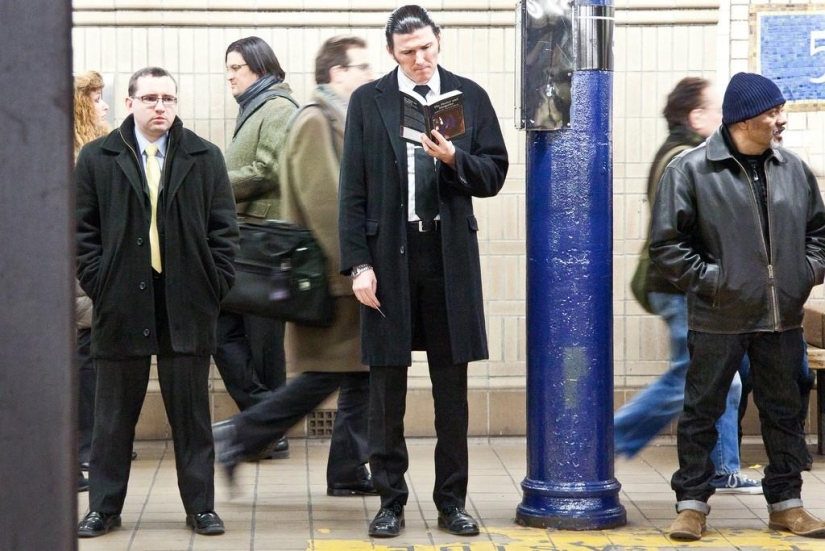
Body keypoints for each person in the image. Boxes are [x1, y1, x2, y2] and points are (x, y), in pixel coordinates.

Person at [338, 5, 508, 538]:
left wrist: (456, 158)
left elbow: (494, 174)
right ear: (391, 51)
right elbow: (352, 191)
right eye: (407, 52)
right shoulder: (369, 102)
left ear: (440, 42)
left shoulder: (469, 96)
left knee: (450, 388)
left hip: (447, 255)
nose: (418, 59)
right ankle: (390, 499)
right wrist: (358, 265)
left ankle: (451, 501)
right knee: (386, 386)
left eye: (426, 49)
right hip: (390, 253)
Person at [649, 72, 825, 541]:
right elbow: (667, 246)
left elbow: (819, 235)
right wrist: (717, 283)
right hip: (718, 315)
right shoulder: (689, 170)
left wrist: (802, 275)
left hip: (780, 317)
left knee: (785, 411)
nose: (781, 120)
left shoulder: (793, 169)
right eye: (773, 113)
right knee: (702, 411)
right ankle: (691, 506)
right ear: (746, 120)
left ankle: (787, 505)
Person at [75, 66, 239, 538]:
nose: (160, 107)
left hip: (186, 302)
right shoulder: (97, 158)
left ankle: (200, 507)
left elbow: (225, 231)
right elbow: (82, 232)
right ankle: (104, 508)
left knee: (191, 415)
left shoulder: (204, 157)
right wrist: (100, 281)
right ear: (130, 104)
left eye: (168, 98)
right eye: (149, 98)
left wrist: (214, 282)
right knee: (113, 418)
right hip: (121, 301)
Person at [214, 35, 376, 496]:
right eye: (360, 67)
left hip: (341, 276)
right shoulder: (313, 120)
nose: (369, 74)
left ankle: (346, 470)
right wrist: (355, 265)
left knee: (359, 372)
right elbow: (325, 202)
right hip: (333, 278)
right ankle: (239, 435)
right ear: (336, 73)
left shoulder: (340, 120)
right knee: (328, 374)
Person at [616, 77, 761, 494]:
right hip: (680, 283)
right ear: (697, 117)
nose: (727, 118)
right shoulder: (685, 158)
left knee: (723, 377)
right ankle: (609, 436)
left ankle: (721, 468)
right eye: (718, 110)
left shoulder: (684, 154)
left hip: (687, 283)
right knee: (693, 376)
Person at [213, 36, 299, 458]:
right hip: (247, 237)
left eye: (236, 67)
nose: (229, 75)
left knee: (263, 342)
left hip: (264, 240)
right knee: (224, 329)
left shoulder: (279, 108)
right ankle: (263, 421)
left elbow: (268, 168)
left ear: (262, 68)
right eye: (227, 68)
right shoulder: (255, 107)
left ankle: (269, 429)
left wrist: (211, 184)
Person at [73, 70, 110, 493]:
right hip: (79, 273)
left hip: (86, 270)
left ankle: (90, 444)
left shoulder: (91, 149)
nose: (103, 105)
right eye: (96, 98)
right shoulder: (79, 153)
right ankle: (83, 448)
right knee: (85, 360)